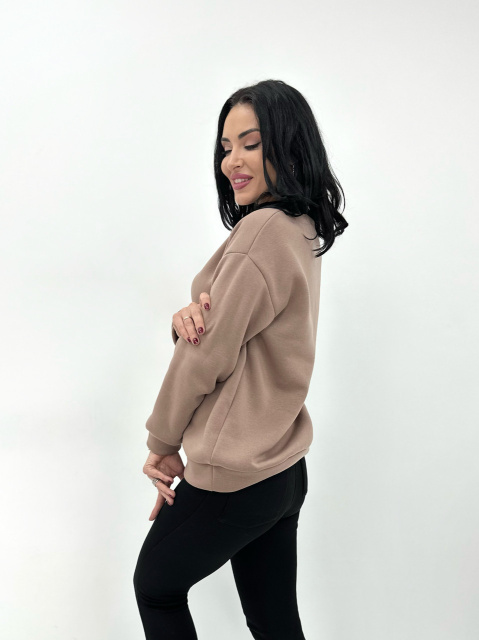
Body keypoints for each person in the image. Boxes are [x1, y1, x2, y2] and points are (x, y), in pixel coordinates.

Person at [133, 79, 348, 639]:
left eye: (251, 143)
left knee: (155, 588)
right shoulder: (300, 226)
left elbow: (207, 357)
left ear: (288, 146)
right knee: (275, 624)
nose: (233, 161)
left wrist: (162, 442)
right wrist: (188, 321)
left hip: (234, 475)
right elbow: (241, 331)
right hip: (282, 469)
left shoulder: (261, 232)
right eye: (226, 147)